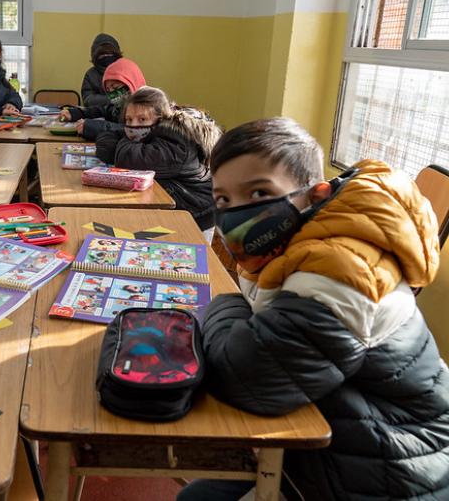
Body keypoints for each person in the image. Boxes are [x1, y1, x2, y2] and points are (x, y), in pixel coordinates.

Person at [177, 118, 449, 500]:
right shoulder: (302, 240)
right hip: (336, 441)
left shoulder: (343, 271)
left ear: (316, 195)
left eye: (257, 193)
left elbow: (248, 379)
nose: (236, 212)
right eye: (223, 200)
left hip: (389, 471)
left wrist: (221, 304)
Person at [96, 87, 220, 231]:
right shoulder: (152, 133)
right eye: (128, 119)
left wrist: (124, 141)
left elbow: (127, 158)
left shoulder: (177, 143)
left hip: (197, 214)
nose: (133, 125)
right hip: (176, 209)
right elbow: (105, 143)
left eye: (142, 119)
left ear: (161, 119)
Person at [61, 57, 145, 141]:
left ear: (132, 84)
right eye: (108, 90)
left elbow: (131, 130)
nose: (111, 93)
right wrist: (75, 113)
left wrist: (94, 127)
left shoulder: (146, 109)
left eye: (115, 87)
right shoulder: (118, 108)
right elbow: (102, 110)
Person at [81, 33, 122, 107]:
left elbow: (132, 95)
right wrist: (113, 99)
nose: (106, 57)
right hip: (97, 114)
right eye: (102, 54)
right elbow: (88, 100)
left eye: (109, 53)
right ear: (95, 57)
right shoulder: (91, 75)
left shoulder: (125, 71)